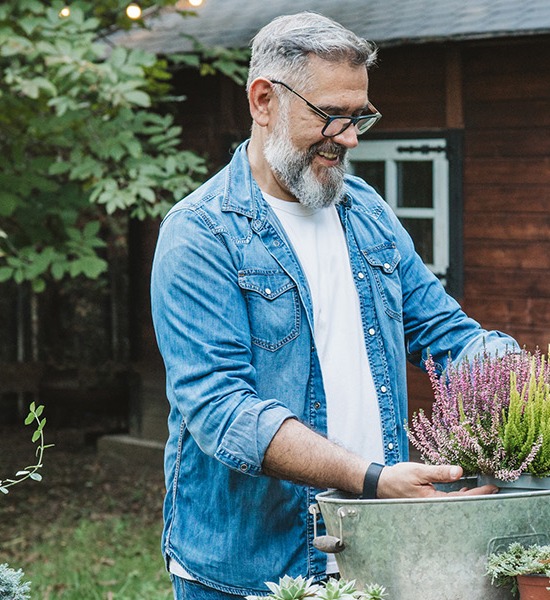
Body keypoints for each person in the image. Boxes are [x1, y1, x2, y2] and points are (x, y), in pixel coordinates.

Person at [149, 12, 514, 600]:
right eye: (331, 116)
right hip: (253, 569)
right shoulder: (200, 235)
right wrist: (369, 479)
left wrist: (530, 388)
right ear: (264, 100)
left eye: (360, 116)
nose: (349, 136)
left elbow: (446, 333)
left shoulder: (365, 210)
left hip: (376, 548)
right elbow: (223, 411)